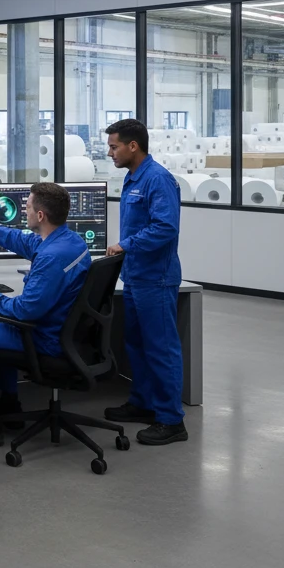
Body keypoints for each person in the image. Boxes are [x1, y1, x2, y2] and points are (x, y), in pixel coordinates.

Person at [0, 182, 92, 447]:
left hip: (48, 338)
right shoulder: (70, 241)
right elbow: (23, 240)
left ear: (40, 215)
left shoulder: (51, 257)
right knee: (1, 324)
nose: (24, 212)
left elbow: (26, 310)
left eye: (27, 207)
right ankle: (10, 405)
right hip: (67, 333)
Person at [104, 119, 187, 445]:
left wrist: (127, 245)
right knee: (136, 345)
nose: (110, 152)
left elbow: (166, 228)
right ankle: (143, 403)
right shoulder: (132, 178)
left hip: (156, 278)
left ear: (133, 146)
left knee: (160, 348)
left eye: (114, 146)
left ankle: (171, 420)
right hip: (136, 277)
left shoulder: (157, 180)